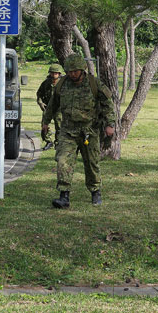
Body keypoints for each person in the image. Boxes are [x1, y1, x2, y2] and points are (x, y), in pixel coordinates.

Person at [41, 54, 115, 208]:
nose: (72, 74)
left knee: (92, 163)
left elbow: (108, 104)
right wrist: (45, 122)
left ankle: (95, 191)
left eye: (75, 71)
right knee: (62, 161)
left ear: (82, 70)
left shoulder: (94, 84)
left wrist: (110, 124)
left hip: (90, 131)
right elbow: (52, 105)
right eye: (69, 71)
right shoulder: (62, 84)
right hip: (68, 131)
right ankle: (64, 195)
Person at [36, 63, 63, 151]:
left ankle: (58, 143)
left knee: (59, 126)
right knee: (44, 125)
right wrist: (40, 102)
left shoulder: (63, 84)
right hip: (47, 107)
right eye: (52, 73)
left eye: (55, 73)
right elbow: (39, 93)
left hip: (59, 108)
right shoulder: (46, 83)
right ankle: (48, 141)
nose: (53, 75)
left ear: (59, 74)